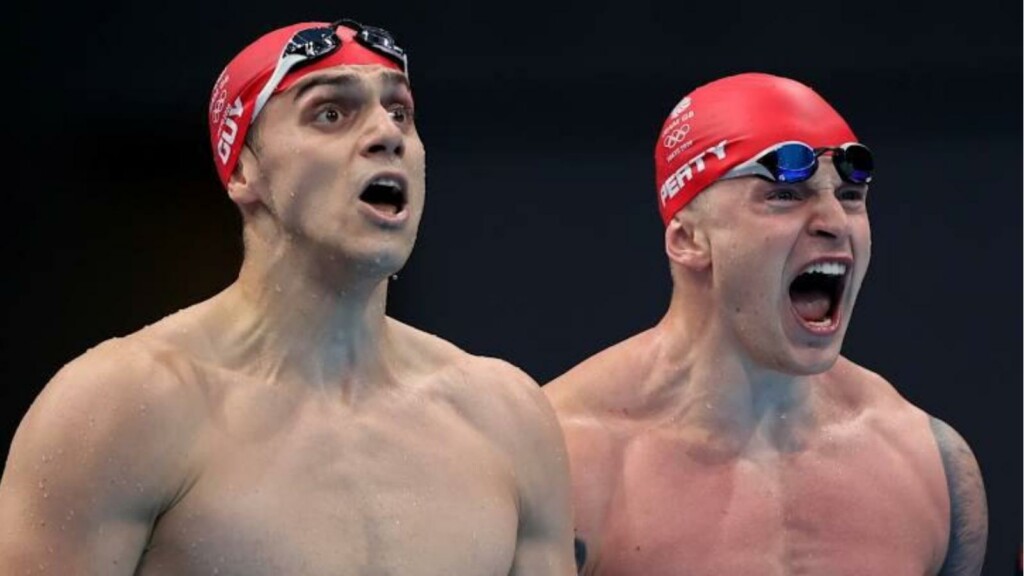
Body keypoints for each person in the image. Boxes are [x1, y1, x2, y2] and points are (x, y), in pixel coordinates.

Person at [0, 19, 575, 575]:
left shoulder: (507, 418)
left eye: (399, 111)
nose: (386, 134)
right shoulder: (120, 408)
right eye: (330, 113)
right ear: (243, 170)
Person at [545, 72, 988, 575]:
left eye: (849, 196)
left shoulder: (930, 466)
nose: (834, 222)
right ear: (689, 239)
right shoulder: (564, 462)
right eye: (784, 196)